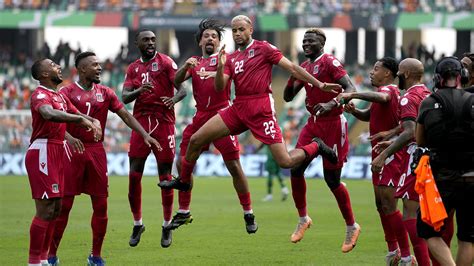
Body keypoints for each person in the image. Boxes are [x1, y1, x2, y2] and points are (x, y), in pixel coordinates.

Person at [159, 15, 340, 232]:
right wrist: (220, 68)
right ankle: (184, 183)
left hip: (261, 109)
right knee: (196, 140)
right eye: (234, 30)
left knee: (285, 162)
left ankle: (317, 146)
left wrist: (319, 83)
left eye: (241, 29)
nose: (237, 34)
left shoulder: (264, 48)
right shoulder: (232, 58)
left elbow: (292, 68)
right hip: (238, 107)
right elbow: (219, 87)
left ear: (250, 29)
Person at [46, 52, 160, 266]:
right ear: (82, 69)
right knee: (64, 207)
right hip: (71, 150)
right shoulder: (66, 92)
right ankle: (51, 256)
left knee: (101, 206)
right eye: (95, 65)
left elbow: (125, 115)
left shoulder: (106, 92)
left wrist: (144, 134)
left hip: (96, 151)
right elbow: (54, 119)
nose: (99, 68)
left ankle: (95, 256)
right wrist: (68, 137)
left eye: (99, 64)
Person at [170, 18, 257, 233]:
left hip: (222, 116)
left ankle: (248, 212)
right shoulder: (195, 62)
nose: (210, 39)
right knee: (182, 163)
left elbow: (224, 84)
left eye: (214, 36)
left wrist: (219, 66)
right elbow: (175, 81)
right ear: (200, 41)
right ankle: (184, 211)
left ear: (219, 42)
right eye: (206, 36)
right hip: (200, 116)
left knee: (234, 167)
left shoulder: (226, 60)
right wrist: (184, 67)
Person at [283, 28, 360, 252]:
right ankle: (303, 218)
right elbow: (288, 97)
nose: (306, 43)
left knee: (332, 180)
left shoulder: (329, 62)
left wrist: (332, 103)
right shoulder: (305, 67)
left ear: (322, 43)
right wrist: (293, 74)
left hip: (334, 123)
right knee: (295, 168)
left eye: (311, 40)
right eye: (304, 40)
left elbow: (351, 88)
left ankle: (351, 226)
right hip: (313, 124)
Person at [26, 58, 100, 266]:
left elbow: (78, 114)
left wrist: (93, 122)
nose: (58, 67)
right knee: (46, 209)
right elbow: (48, 114)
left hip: (59, 150)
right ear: (43, 75)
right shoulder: (40, 94)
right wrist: (79, 121)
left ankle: (43, 260)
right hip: (43, 150)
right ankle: (33, 262)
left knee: (56, 208)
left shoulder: (59, 95)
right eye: (52, 65)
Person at [340, 57, 413, 263]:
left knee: (389, 204)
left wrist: (353, 94)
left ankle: (407, 255)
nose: (372, 72)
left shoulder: (389, 90)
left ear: (388, 74)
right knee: (381, 205)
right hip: (378, 153)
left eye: (376, 68)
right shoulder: (381, 94)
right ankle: (393, 250)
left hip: (391, 153)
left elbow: (382, 100)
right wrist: (356, 111)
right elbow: (370, 115)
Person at [122, 29, 186, 248]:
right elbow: (124, 97)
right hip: (141, 124)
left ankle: (167, 225)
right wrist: (140, 90)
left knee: (166, 177)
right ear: (137, 43)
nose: (150, 43)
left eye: (152, 40)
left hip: (164, 123)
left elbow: (183, 90)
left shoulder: (167, 62)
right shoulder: (133, 68)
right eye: (146, 40)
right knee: (133, 176)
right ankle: (137, 223)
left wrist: (174, 98)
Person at [372, 58, 431, 266]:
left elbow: (408, 133)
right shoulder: (428, 94)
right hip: (432, 157)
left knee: (409, 212)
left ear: (405, 74)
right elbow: (414, 128)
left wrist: (384, 154)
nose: (398, 77)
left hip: (414, 158)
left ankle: (411, 258)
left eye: (399, 74)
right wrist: (391, 135)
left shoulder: (408, 98)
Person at [415, 56, 474, 266]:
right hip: (472, 177)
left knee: (428, 231)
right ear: (463, 76)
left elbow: (420, 139)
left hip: (441, 178)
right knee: (468, 238)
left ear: (437, 78)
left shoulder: (428, 102)